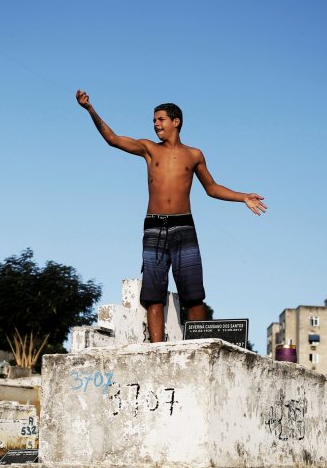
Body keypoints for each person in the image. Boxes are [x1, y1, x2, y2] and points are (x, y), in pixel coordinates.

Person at [76, 90, 267, 342]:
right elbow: (112, 139)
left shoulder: (194, 154)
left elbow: (212, 188)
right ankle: (156, 349)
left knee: (193, 293)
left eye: (160, 119)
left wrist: (242, 196)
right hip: (154, 226)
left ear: (175, 121)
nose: (156, 124)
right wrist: (91, 109)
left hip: (183, 225)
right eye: (154, 120)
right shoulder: (149, 149)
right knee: (153, 292)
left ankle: (199, 345)